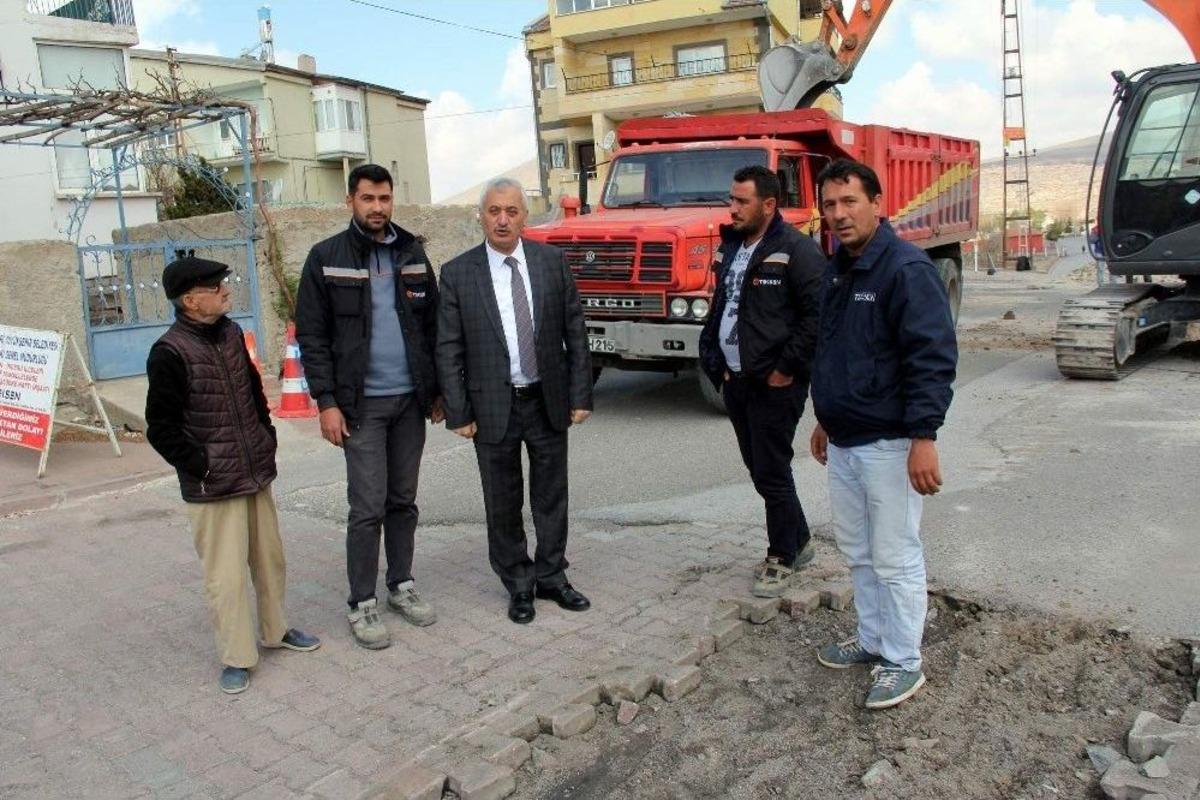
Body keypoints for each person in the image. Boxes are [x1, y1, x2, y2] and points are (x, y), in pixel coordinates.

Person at [808, 159, 957, 710]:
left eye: (849, 202)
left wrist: (923, 436)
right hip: (846, 440)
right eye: (830, 205)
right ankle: (872, 640)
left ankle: (903, 660)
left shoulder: (905, 269)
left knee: (894, 554)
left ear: (877, 202)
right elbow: (840, 352)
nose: (839, 215)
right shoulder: (839, 269)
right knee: (859, 551)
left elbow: (932, 358)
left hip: (891, 443)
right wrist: (827, 418)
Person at [145, 256, 320, 695]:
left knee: (269, 559)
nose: (226, 291)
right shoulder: (168, 352)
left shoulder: (228, 334)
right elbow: (160, 429)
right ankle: (237, 657)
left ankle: (276, 631)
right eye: (216, 287)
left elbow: (255, 394)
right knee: (225, 577)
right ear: (190, 300)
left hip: (254, 471)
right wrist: (201, 465)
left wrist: (266, 438)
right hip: (212, 485)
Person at [294, 164, 442, 651]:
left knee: (403, 500)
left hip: (408, 404)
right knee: (367, 506)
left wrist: (437, 391)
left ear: (392, 199)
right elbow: (312, 337)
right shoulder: (326, 258)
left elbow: (433, 326)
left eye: (384, 198)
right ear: (350, 201)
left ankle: (400, 584)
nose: (376, 207)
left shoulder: (412, 253)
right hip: (360, 409)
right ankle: (362, 602)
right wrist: (326, 403)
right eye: (367, 199)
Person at [435, 177, 593, 624]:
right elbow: (448, 349)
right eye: (493, 211)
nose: (502, 219)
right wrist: (459, 412)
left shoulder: (551, 263)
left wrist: (580, 393)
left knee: (551, 495)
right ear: (481, 216)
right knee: (501, 500)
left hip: (548, 400)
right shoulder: (459, 273)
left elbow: (575, 333)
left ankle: (552, 577)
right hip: (491, 408)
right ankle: (519, 584)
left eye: (512, 211)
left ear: (525, 216)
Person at [699, 165, 825, 598]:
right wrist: (715, 361)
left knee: (771, 469)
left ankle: (781, 555)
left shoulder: (797, 250)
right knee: (760, 468)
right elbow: (724, 306)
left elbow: (816, 317)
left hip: (775, 382)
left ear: (768, 205)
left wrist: (784, 368)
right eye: (731, 199)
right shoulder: (731, 247)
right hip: (736, 379)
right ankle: (801, 539)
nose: (731, 208)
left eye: (741, 201)